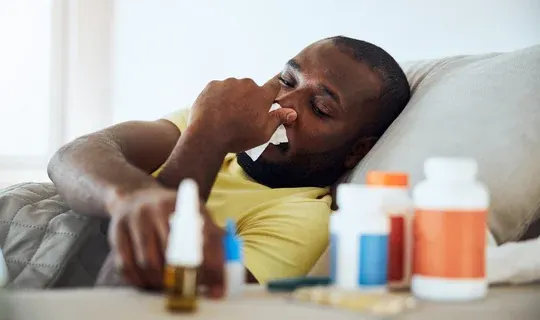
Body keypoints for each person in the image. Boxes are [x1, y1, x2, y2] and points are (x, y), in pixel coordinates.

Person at [47, 36, 410, 296]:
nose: (284, 104)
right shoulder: (205, 125)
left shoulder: (301, 218)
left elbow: (155, 286)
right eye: (287, 80)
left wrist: (210, 135)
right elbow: (71, 156)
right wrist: (131, 197)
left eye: (320, 108)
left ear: (356, 151)